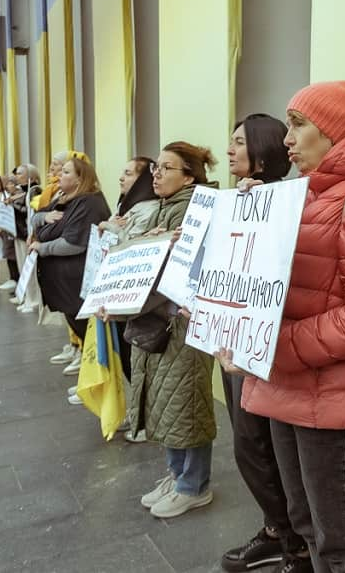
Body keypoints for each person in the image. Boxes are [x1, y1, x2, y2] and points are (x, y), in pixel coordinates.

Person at [219, 82, 345, 573]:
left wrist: (273, 346)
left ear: (336, 130)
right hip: (289, 390)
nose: (287, 138)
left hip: (336, 402)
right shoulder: (301, 196)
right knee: (308, 530)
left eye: (299, 124)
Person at [216, 114, 300, 573]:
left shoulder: (285, 203)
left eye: (238, 143)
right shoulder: (235, 200)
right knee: (247, 446)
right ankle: (276, 529)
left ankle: (292, 541)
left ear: (262, 153)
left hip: (263, 347)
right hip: (230, 343)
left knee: (258, 447)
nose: (229, 150)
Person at [128, 141, 219, 519]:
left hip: (183, 322)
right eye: (156, 168)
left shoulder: (202, 210)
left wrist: (162, 247)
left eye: (166, 168)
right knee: (163, 403)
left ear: (189, 176)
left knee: (187, 404)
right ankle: (176, 473)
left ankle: (194, 485)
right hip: (155, 321)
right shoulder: (161, 208)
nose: (157, 174)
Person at [71, 157, 161, 417]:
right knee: (119, 353)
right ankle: (129, 408)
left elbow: (132, 247)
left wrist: (110, 227)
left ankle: (139, 412)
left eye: (129, 173)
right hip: (113, 290)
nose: (122, 178)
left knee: (130, 355)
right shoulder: (127, 205)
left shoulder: (147, 208)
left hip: (129, 293)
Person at [29, 157, 111, 376]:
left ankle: (92, 376)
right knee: (76, 324)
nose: (58, 176)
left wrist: (41, 247)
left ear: (79, 179)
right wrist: (44, 216)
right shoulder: (64, 197)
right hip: (62, 282)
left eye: (65, 172)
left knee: (86, 328)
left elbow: (73, 243)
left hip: (78, 281)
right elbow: (34, 218)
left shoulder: (89, 202)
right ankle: (85, 368)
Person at [11, 164, 43, 313]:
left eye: (20, 174)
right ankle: (26, 296)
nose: (17, 176)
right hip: (19, 232)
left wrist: (13, 204)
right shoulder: (19, 192)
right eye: (17, 174)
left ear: (30, 176)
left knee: (30, 268)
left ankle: (34, 299)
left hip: (27, 234)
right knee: (22, 268)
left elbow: (29, 212)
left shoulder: (35, 190)